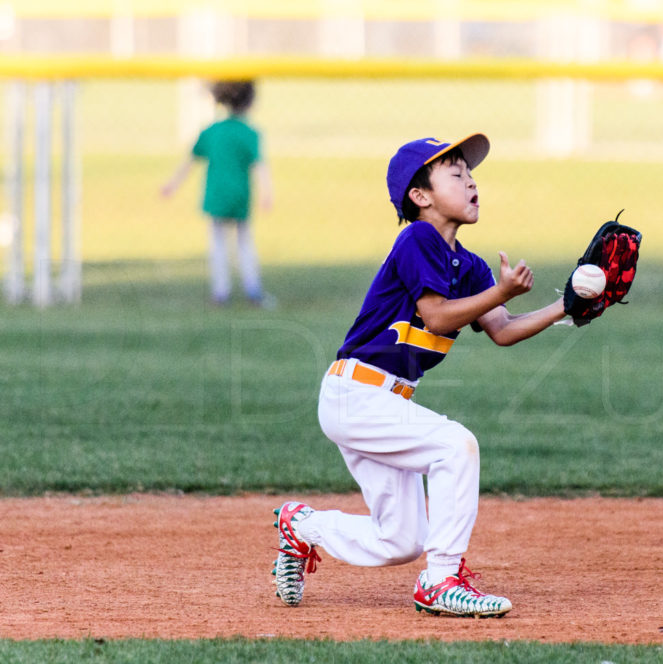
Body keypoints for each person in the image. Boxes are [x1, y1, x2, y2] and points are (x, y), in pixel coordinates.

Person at [272, 134, 567, 617]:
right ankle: (441, 579)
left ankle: (300, 526)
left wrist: (566, 306)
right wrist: (502, 291)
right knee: (456, 445)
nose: (471, 182)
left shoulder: (468, 265)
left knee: (400, 540)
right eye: (456, 174)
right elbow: (437, 317)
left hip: (382, 402)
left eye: (471, 175)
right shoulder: (417, 239)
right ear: (420, 196)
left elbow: (504, 330)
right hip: (357, 394)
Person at [161, 80, 274, 308]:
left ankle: (221, 292)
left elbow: (189, 162)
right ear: (249, 102)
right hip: (239, 197)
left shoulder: (211, 131)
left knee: (218, 243)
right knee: (244, 243)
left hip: (216, 197)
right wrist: (266, 193)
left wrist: (172, 185)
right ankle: (253, 290)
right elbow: (260, 167)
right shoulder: (249, 133)